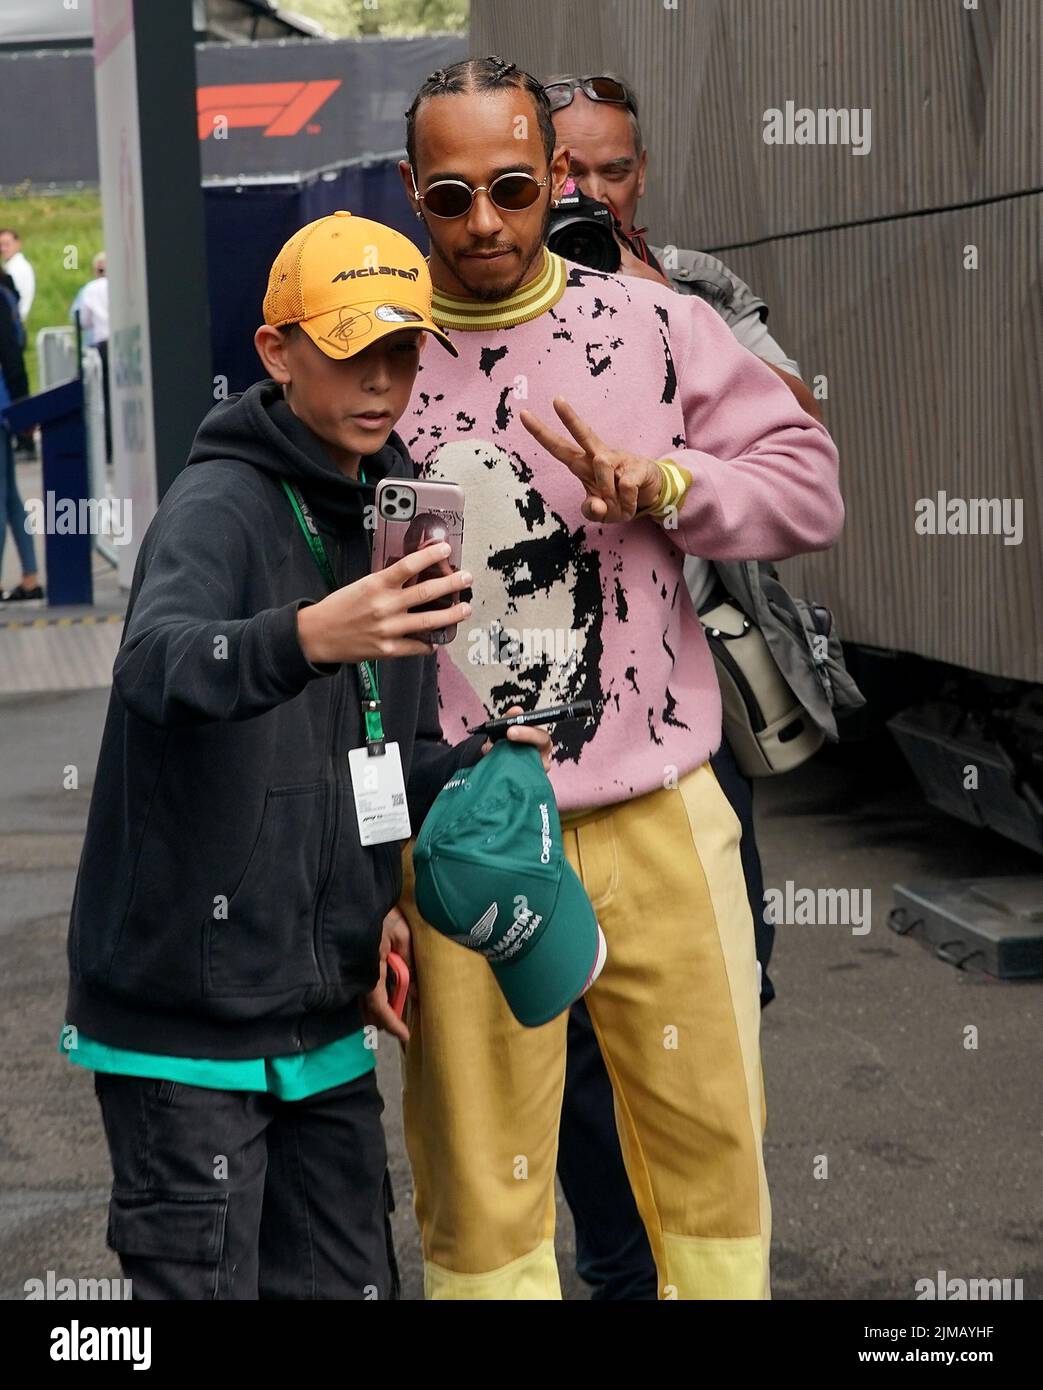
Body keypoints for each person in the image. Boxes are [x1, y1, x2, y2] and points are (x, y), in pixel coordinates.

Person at [394, 56, 844, 1300]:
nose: (484, 219)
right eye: (449, 193)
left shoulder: (654, 323)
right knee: (484, 1199)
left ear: (555, 178)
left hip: (657, 809)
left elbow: (812, 489)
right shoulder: (372, 359)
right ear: (408, 192)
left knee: (709, 1167)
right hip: (469, 830)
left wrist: (668, 485)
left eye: (513, 185)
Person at [60, 210, 549, 1301]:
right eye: (349, 351)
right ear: (277, 353)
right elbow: (154, 668)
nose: (381, 379)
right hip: (183, 1031)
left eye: (401, 349)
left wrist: (462, 767)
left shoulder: (400, 510)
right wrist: (308, 633)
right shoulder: (216, 504)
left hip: (324, 1013)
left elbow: (381, 744)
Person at [546, 67, 818, 1298]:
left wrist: (661, 312)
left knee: (724, 983)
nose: (584, 193)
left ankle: (709, 1247)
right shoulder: (490, 300)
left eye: (610, 171)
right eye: (561, 172)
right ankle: (618, 1269)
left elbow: (798, 433)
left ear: (638, 176)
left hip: (687, 715)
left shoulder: (694, 287)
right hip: (551, 738)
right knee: (568, 1029)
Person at [0, 279, 42, 602]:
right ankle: (29, 577)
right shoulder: (6, 294)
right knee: (10, 497)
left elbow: (9, 353)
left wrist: (22, 402)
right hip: (5, 407)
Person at [71, 252, 112, 461]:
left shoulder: (91, 289)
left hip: (102, 346)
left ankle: (107, 446)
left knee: (102, 397)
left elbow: (82, 320)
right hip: (123, 345)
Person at [0, 228, 35, 322]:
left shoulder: (17, 268)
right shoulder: (13, 266)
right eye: (0, 245)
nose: (2, 249)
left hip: (10, 320)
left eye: (7, 244)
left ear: (17, 244)